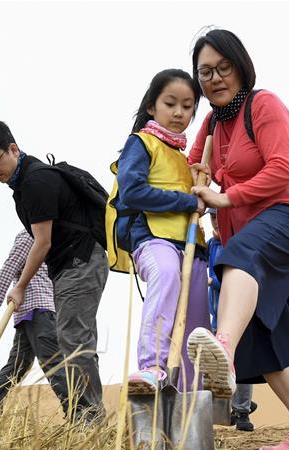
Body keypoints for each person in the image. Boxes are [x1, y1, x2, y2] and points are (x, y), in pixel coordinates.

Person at [185, 29, 289, 450]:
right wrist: (188, 191)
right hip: (244, 239)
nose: (214, 78)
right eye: (205, 72)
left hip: (288, 217)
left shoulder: (263, 105)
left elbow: (282, 168)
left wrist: (226, 196)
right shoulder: (212, 125)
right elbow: (192, 168)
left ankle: (223, 350)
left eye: (223, 67)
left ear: (240, 65)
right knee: (272, 336)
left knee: (240, 259)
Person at [0, 121, 108, 422]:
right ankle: (85, 417)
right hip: (72, 265)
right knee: (73, 338)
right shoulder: (23, 184)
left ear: (13, 149)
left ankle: (90, 419)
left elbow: (42, 243)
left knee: (73, 340)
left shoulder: (34, 181)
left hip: (80, 261)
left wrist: (19, 286)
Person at [110, 68, 210, 394]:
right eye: (171, 103)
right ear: (152, 106)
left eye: (188, 106)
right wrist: (185, 200)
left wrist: (201, 192)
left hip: (192, 244)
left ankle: (188, 397)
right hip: (153, 239)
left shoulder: (185, 159)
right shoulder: (140, 143)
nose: (179, 112)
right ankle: (152, 367)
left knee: (196, 320)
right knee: (165, 276)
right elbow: (133, 192)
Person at [0, 230, 65, 409]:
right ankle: (77, 409)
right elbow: (9, 267)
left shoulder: (51, 236)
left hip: (34, 311)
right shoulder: (30, 235)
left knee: (18, 365)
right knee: (53, 361)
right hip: (38, 308)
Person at [207, 211, 257, 431]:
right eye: (212, 218)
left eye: (219, 216)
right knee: (220, 363)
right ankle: (231, 407)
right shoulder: (210, 245)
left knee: (242, 364)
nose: (216, 222)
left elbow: (237, 277)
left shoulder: (236, 241)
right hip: (217, 314)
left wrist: (213, 281)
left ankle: (242, 411)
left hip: (236, 316)